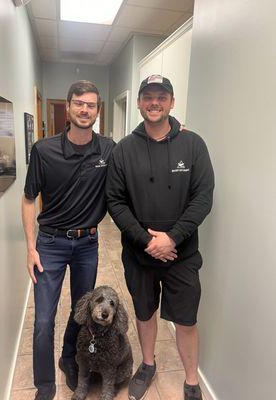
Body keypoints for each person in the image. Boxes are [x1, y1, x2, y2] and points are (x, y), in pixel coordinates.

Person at [106, 75, 214, 400]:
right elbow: (115, 201)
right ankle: (148, 365)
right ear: (139, 102)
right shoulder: (123, 150)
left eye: (162, 96)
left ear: (171, 102)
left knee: (186, 319)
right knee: (144, 313)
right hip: (139, 254)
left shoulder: (193, 145)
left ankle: (191, 380)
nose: (155, 102)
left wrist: (172, 239)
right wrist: (148, 241)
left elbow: (203, 197)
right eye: (148, 96)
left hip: (182, 255)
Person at [22, 80, 115, 400]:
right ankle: (45, 386)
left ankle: (68, 358)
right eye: (79, 103)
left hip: (87, 245)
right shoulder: (44, 150)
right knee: (43, 320)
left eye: (91, 104)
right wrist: (31, 247)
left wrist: (175, 133)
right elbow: (27, 199)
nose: (85, 109)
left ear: (98, 111)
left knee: (83, 310)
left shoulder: (108, 150)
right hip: (49, 243)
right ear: (69, 105)